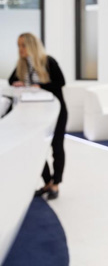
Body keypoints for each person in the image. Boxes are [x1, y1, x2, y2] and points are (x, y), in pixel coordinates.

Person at [9, 33, 67, 200]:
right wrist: (19, 83)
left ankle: (56, 184)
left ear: (31, 45)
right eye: (18, 45)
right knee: (37, 148)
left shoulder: (48, 61)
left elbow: (60, 82)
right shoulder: (22, 64)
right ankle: (47, 182)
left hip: (56, 111)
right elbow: (11, 80)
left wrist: (40, 86)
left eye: (23, 45)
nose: (20, 49)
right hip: (35, 114)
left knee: (57, 147)